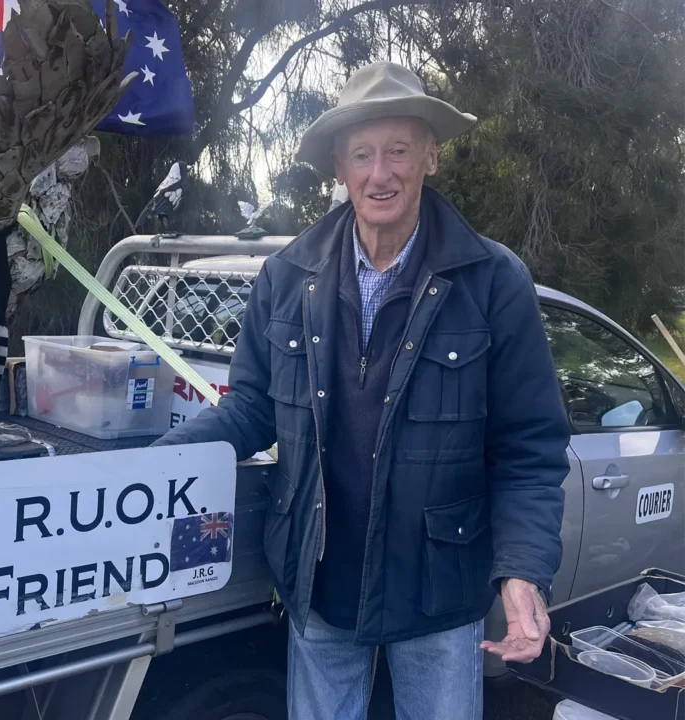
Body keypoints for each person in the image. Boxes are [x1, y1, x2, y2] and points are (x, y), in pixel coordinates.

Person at [151, 61, 571, 719]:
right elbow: (253, 406)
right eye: (363, 155)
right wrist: (158, 463)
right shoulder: (287, 275)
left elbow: (528, 449)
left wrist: (523, 573)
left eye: (399, 150)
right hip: (319, 577)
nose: (381, 173)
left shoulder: (493, 283)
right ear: (340, 170)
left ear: (430, 156)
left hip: (437, 585)